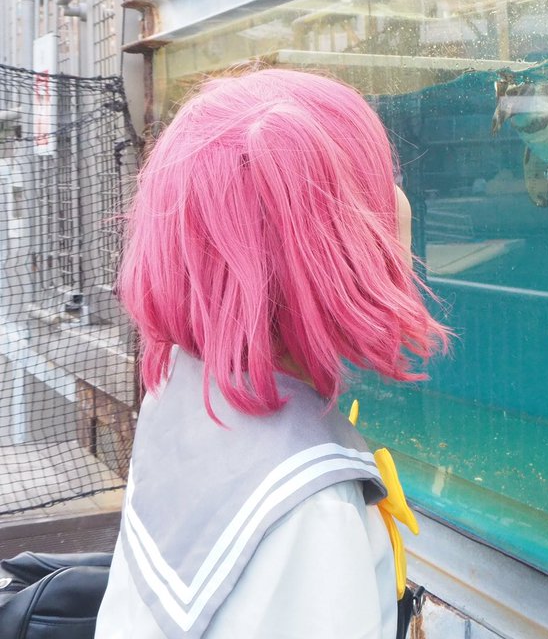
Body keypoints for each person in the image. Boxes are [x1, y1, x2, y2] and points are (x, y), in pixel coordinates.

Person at [95, 68, 448, 638]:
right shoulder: (311, 511)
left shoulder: (180, 388)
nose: (401, 201)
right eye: (381, 181)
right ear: (328, 249)